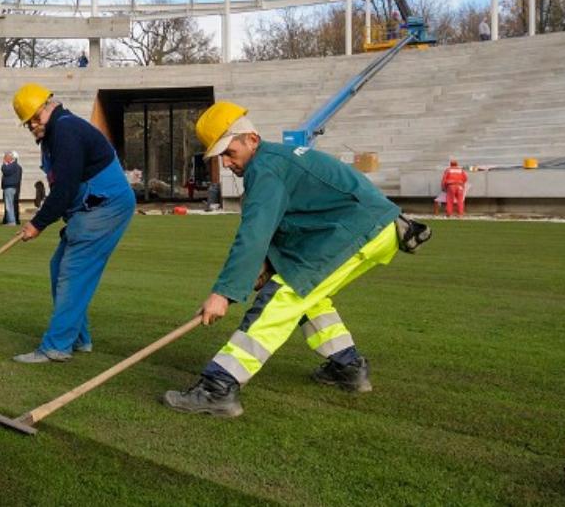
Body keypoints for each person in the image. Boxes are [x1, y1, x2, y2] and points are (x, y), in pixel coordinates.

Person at [163, 101, 424, 418]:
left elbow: (254, 234)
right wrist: (269, 265)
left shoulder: (266, 168)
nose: (227, 162)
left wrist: (225, 292)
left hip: (357, 229)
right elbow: (296, 221)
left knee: (281, 299)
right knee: (306, 294)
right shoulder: (276, 162)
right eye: (221, 156)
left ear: (252, 139)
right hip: (376, 229)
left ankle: (218, 386)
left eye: (230, 152)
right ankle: (347, 366)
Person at [9, 84, 135, 363]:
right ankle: (79, 337)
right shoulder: (55, 133)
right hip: (90, 207)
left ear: (47, 105)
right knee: (59, 266)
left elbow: (64, 189)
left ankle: (56, 346)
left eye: (34, 117)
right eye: (27, 122)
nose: (32, 125)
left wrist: (37, 224)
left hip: (105, 206)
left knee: (73, 269)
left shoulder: (66, 130)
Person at [0, 151, 22, 226]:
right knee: (10, 204)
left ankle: (11, 221)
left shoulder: (13, 165)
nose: (4, 159)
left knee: (9, 205)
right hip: (11, 187)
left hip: (10, 186)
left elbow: (5, 170)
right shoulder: (16, 166)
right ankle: (11, 220)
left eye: (5, 157)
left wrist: (4, 164)